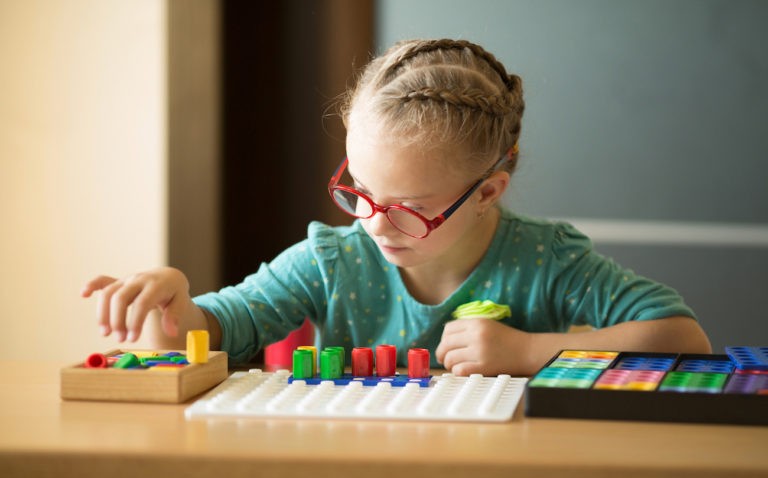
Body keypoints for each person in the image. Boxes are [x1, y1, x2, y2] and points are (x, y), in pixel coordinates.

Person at [82, 38, 711, 376]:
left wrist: (527, 351)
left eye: (409, 207)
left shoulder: (545, 259)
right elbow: (226, 326)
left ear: (488, 191)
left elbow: (683, 338)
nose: (375, 223)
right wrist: (177, 307)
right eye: (359, 190)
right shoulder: (332, 258)